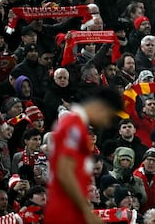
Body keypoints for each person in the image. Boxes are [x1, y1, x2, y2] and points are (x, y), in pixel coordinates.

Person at [44, 86, 124, 224]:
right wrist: (86, 211)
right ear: (101, 107)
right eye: (108, 116)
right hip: (65, 213)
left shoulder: (77, 126)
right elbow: (64, 170)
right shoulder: (73, 125)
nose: (106, 123)